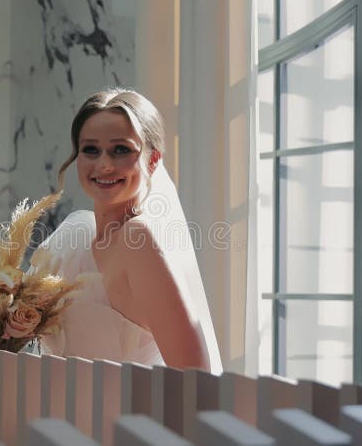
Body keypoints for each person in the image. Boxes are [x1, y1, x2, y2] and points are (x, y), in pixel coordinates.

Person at [36, 89, 223, 373]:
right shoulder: (75, 236)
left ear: (153, 160)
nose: (104, 165)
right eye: (90, 149)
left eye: (121, 150)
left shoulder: (138, 240)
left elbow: (196, 378)